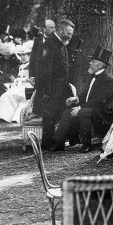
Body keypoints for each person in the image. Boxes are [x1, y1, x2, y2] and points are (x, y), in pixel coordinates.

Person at [52, 46, 113, 153]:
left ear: (100, 65)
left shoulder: (107, 80)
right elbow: (87, 93)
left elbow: (99, 100)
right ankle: (58, 143)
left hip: (102, 111)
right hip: (91, 107)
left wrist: (80, 107)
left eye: (93, 61)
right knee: (67, 112)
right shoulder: (93, 76)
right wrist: (76, 99)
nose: (90, 63)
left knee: (82, 113)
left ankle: (86, 145)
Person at [33, 19, 75, 148]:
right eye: (69, 32)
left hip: (61, 87)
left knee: (60, 114)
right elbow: (44, 72)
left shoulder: (61, 43)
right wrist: (46, 92)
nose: (70, 35)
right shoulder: (49, 45)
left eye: (71, 33)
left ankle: (58, 143)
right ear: (61, 30)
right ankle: (48, 144)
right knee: (49, 115)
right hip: (51, 89)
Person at [0, 42, 34, 123]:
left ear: (29, 55)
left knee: (18, 97)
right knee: (6, 95)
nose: (22, 57)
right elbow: (18, 77)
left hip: (29, 87)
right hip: (19, 86)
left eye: (25, 55)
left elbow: (32, 79)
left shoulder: (32, 65)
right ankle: (5, 116)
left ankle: (17, 117)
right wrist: (16, 81)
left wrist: (22, 80)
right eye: (21, 55)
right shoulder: (21, 66)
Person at [30, 19, 56, 85]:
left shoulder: (57, 42)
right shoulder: (37, 41)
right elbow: (32, 58)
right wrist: (32, 76)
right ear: (44, 29)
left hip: (52, 79)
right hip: (39, 78)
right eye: (51, 27)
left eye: (54, 27)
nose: (54, 30)